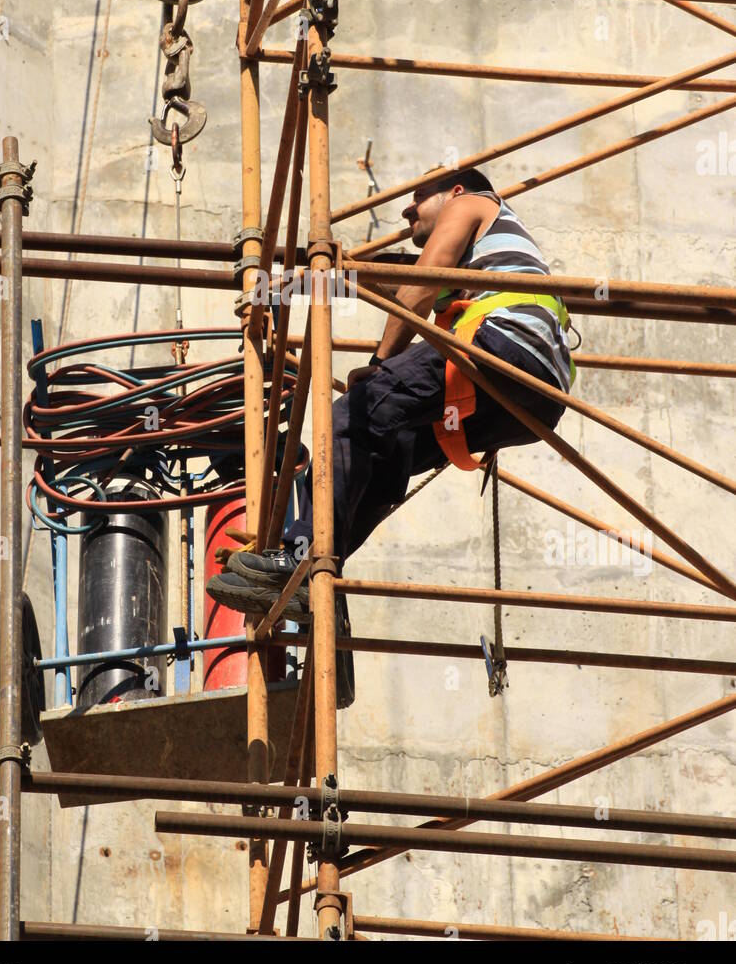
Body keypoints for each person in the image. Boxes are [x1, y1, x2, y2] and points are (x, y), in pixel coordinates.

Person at [207, 168, 576, 702]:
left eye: (417, 200)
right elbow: (399, 280)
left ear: (454, 192)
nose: (407, 213)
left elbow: (422, 281)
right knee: (387, 449)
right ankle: (318, 582)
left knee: (351, 415)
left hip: (505, 348)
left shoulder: (472, 203)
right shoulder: (487, 255)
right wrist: (322, 273)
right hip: (531, 398)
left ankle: (299, 556)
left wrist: (380, 363)